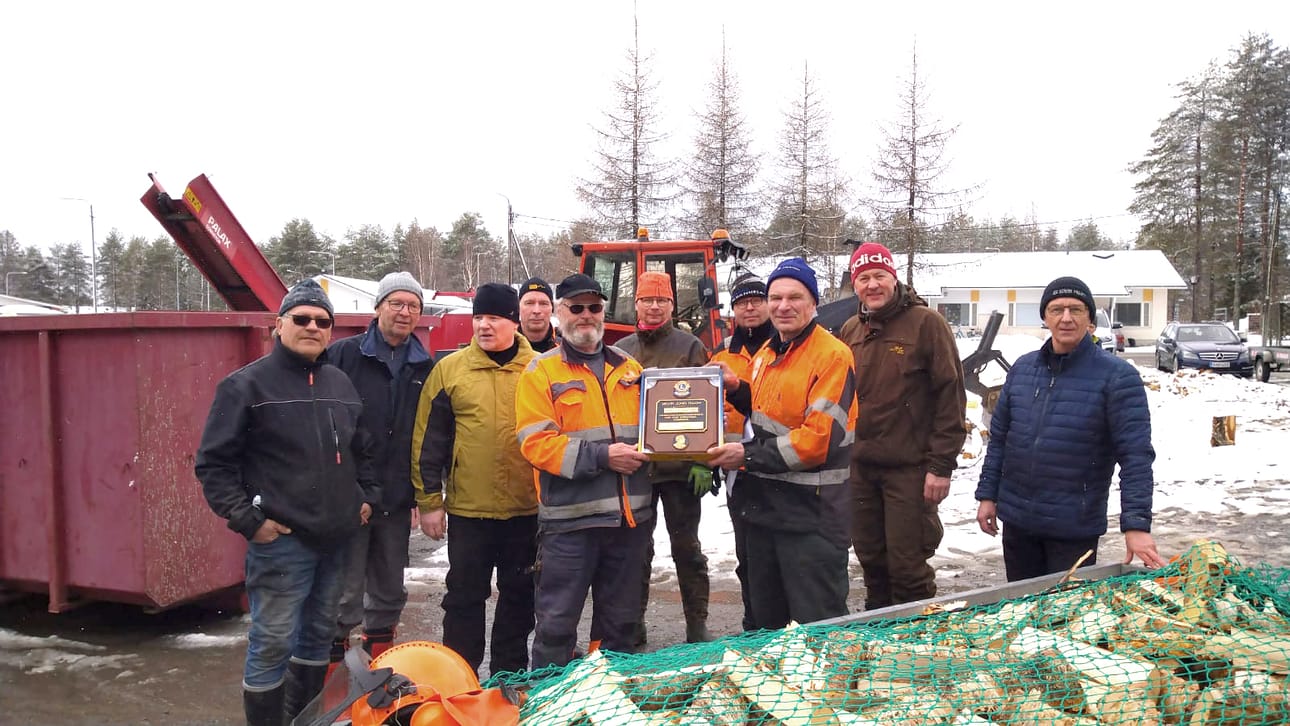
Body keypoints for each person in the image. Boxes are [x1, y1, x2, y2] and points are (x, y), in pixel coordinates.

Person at [195, 279, 378, 726]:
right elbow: (213, 465)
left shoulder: (340, 383)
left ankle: (304, 721)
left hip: (336, 540)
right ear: (279, 325)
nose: (312, 326)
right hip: (281, 543)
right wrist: (249, 521)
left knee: (318, 637)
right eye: (301, 318)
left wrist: (366, 497)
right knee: (273, 640)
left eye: (322, 321)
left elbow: (364, 449)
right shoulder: (245, 386)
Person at [975, 275, 1167, 581]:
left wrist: (1136, 525)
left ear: (1090, 319)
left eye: (1076, 309)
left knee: (1064, 621)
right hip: (1018, 524)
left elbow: (1136, 457)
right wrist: (988, 496)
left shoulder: (1117, 377)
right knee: (1022, 613)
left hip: (1073, 528)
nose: (1066, 318)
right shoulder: (1023, 370)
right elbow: (1000, 440)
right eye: (1057, 309)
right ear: (1045, 318)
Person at [707, 258, 857, 630]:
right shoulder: (767, 354)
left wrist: (746, 455)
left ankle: (827, 690)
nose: (782, 306)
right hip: (766, 512)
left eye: (795, 297)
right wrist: (737, 389)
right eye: (776, 297)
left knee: (819, 628)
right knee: (763, 625)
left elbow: (817, 440)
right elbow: (766, 413)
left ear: (813, 303)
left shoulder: (832, 356)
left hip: (813, 519)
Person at [515, 273, 653, 669]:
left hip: (630, 525)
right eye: (576, 308)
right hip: (570, 527)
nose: (586, 316)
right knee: (557, 628)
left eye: (594, 308)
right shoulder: (541, 372)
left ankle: (609, 705)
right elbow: (535, 443)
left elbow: (659, 427)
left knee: (621, 630)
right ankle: (554, 707)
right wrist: (603, 457)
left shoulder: (629, 368)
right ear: (559, 315)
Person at [410, 283, 539, 677]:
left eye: (494, 318)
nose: (484, 325)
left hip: (526, 509)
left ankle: (508, 678)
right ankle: (460, 678)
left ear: (513, 322)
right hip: (470, 510)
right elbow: (428, 441)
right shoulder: (450, 370)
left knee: (519, 597)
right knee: (464, 598)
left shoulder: (539, 367)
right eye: (478, 317)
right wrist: (430, 502)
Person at [837, 242, 967, 609]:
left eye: (880, 275)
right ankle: (879, 639)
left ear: (894, 279)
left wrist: (941, 466)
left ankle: (917, 648)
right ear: (855, 283)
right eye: (864, 278)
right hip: (861, 468)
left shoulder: (927, 324)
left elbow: (950, 397)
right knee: (872, 562)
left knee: (907, 566)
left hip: (909, 470)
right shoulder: (851, 330)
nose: (872, 284)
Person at [326, 271, 433, 668]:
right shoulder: (343, 356)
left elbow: (431, 435)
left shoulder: (425, 365)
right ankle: (332, 675)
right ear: (378, 307)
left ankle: (378, 668)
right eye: (396, 303)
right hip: (349, 497)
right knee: (344, 591)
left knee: (388, 588)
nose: (404, 312)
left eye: (412, 306)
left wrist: (425, 495)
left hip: (396, 496)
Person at [615, 271, 713, 645]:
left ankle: (697, 623)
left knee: (687, 548)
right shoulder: (621, 350)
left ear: (672, 305)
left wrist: (704, 459)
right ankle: (633, 624)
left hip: (679, 470)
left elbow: (708, 405)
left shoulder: (690, 347)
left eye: (662, 300)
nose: (654, 306)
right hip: (636, 469)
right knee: (636, 552)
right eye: (647, 299)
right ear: (636, 303)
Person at [705, 273, 773, 632]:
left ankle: (781, 624)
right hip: (737, 473)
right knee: (746, 555)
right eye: (742, 301)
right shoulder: (721, 356)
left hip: (777, 467)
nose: (749, 306)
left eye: (756, 300)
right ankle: (753, 624)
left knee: (776, 556)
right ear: (733, 309)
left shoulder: (780, 349)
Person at [518, 277, 559, 353]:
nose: (536, 311)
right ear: (518, 307)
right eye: (529, 303)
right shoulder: (503, 347)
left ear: (552, 308)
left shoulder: (567, 350)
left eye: (543, 303)